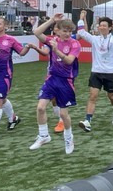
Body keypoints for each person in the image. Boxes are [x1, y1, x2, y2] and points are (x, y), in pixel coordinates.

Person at [29, 14, 80, 154]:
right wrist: (52, 20)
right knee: (40, 108)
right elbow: (36, 32)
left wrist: (56, 50)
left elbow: (69, 61)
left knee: (64, 114)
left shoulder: (75, 43)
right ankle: (44, 136)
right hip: (52, 79)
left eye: (70, 31)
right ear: (57, 30)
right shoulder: (52, 40)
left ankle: (69, 138)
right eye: (65, 30)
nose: (68, 34)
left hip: (66, 81)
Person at [76, 10, 113, 133]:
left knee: (111, 96)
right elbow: (81, 32)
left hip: (110, 72)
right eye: (100, 25)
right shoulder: (95, 39)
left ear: (109, 28)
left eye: (104, 25)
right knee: (93, 96)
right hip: (96, 72)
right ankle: (87, 121)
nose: (102, 27)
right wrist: (81, 18)